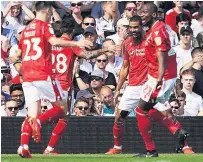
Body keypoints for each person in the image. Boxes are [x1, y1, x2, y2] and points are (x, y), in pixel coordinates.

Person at [16, 1, 94, 158]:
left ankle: (23, 146)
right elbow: (54, 41)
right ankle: (40, 124)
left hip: (27, 76)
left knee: (32, 114)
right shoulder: (44, 26)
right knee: (62, 109)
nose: (52, 14)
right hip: (43, 73)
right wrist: (76, 43)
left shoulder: (25, 30)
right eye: (51, 11)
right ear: (45, 10)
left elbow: (19, 52)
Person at [35, 16, 117, 155]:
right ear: (73, 30)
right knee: (64, 117)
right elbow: (88, 55)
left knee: (55, 115)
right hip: (62, 85)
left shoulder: (51, 42)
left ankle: (45, 141)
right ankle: (48, 144)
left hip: (47, 82)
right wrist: (104, 50)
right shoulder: (72, 44)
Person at [134, 3, 189, 157]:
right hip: (157, 76)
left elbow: (162, 54)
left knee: (140, 110)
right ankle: (176, 131)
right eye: (141, 12)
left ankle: (151, 150)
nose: (142, 14)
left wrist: (159, 77)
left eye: (145, 12)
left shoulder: (158, 31)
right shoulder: (154, 29)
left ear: (154, 14)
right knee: (148, 109)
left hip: (161, 77)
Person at [105, 15, 148, 154]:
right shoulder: (127, 43)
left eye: (136, 27)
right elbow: (125, 67)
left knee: (165, 114)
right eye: (131, 27)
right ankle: (117, 147)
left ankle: (184, 146)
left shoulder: (150, 40)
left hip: (149, 85)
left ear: (142, 27)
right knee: (119, 116)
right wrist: (118, 88)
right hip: (133, 86)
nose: (134, 30)